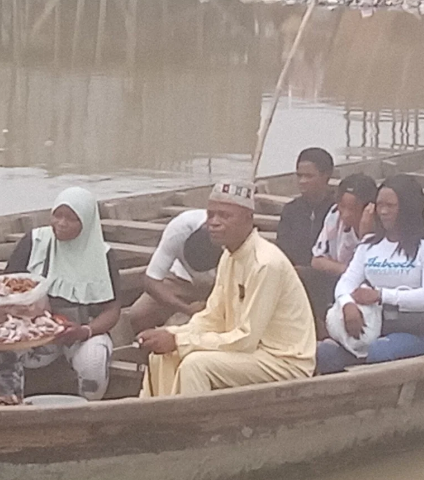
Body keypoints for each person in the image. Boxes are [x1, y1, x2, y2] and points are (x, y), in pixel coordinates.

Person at [138, 181, 316, 397]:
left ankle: (197, 428)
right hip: (252, 352)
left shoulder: (265, 264)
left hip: (282, 359)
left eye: (224, 216)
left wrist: (180, 341)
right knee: (162, 355)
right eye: (211, 215)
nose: (214, 223)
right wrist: (172, 334)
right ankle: (159, 419)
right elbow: (213, 318)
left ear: (248, 219)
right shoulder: (228, 257)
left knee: (196, 364)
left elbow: (246, 338)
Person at [0, 187, 121, 401]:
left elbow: (112, 310)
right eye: (57, 215)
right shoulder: (35, 242)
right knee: (6, 351)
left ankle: (87, 411)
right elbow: (4, 287)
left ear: (87, 223)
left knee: (93, 363)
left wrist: (85, 331)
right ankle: (11, 407)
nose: (61, 223)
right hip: (37, 332)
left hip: (82, 333)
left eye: (71, 219)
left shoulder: (103, 256)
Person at [316, 174, 424, 374]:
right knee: (324, 353)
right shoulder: (368, 245)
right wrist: (347, 304)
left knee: (380, 351)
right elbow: (345, 283)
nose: (383, 211)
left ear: (407, 207)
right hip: (372, 327)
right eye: (379, 205)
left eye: (390, 206)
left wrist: (381, 295)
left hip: (418, 330)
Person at [299, 173, 378, 337]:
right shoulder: (334, 216)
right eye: (343, 207)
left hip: (366, 290)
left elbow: (371, 275)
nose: (346, 214)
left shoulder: (378, 227)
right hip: (338, 279)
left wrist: (365, 234)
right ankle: (317, 330)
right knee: (299, 275)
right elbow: (317, 261)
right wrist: (349, 271)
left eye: (353, 209)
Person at [127, 209, 223, 333]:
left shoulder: (236, 236)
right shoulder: (180, 228)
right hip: (182, 280)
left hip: (222, 284)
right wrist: (186, 309)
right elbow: (151, 281)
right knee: (139, 315)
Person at [276, 148, 336, 267]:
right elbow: (282, 250)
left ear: (326, 176)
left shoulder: (336, 210)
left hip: (326, 275)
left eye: (309, 176)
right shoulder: (291, 210)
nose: (302, 181)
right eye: (299, 176)